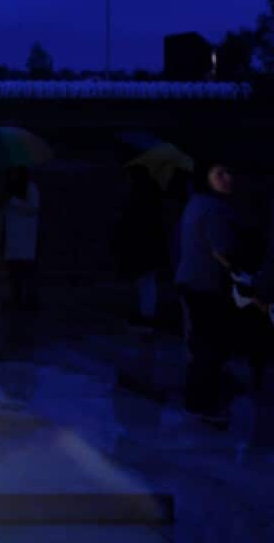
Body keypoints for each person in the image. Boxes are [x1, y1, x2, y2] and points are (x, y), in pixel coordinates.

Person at [175, 161, 241, 426]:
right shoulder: (214, 209)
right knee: (209, 346)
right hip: (205, 284)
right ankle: (202, 402)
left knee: (201, 344)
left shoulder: (196, 203)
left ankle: (197, 400)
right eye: (220, 174)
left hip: (191, 280)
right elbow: (222, 250)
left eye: (229, 172)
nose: (227, 178)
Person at [114, 166, 170, 328]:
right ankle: (146, 312)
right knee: (146, 280)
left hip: (143, 245)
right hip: (147, 245)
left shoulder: (139, 197)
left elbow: (134, 222)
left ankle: (147, 314)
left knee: (145, 280)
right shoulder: (149, 195)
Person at [1, 166, 41, 351]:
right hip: (13, 237)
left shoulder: (30, 188)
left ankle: (28, 300)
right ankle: (16, 298)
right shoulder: (10, 188)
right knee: (14, 271)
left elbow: (33, 208)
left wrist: (14, 202)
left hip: (25, 236)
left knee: (25, 271)